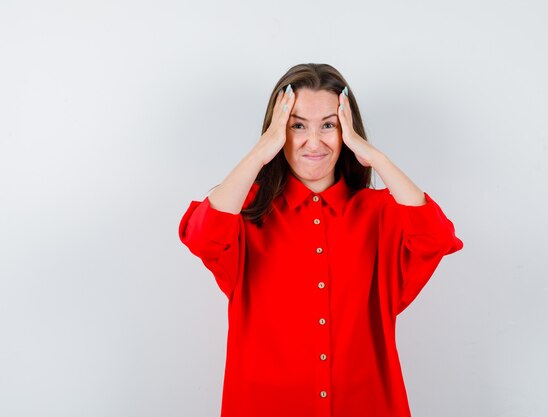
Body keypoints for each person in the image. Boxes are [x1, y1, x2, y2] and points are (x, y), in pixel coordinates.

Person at [178, 63, 464, 417]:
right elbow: (203, 238)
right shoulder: (246, 212)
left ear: (347, 131)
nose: (314, 142)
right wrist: (258, 154)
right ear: (277, 131)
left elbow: (437, 239)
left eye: (329, 125)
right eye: (297, 126)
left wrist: (375, 156)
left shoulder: (382, 213)